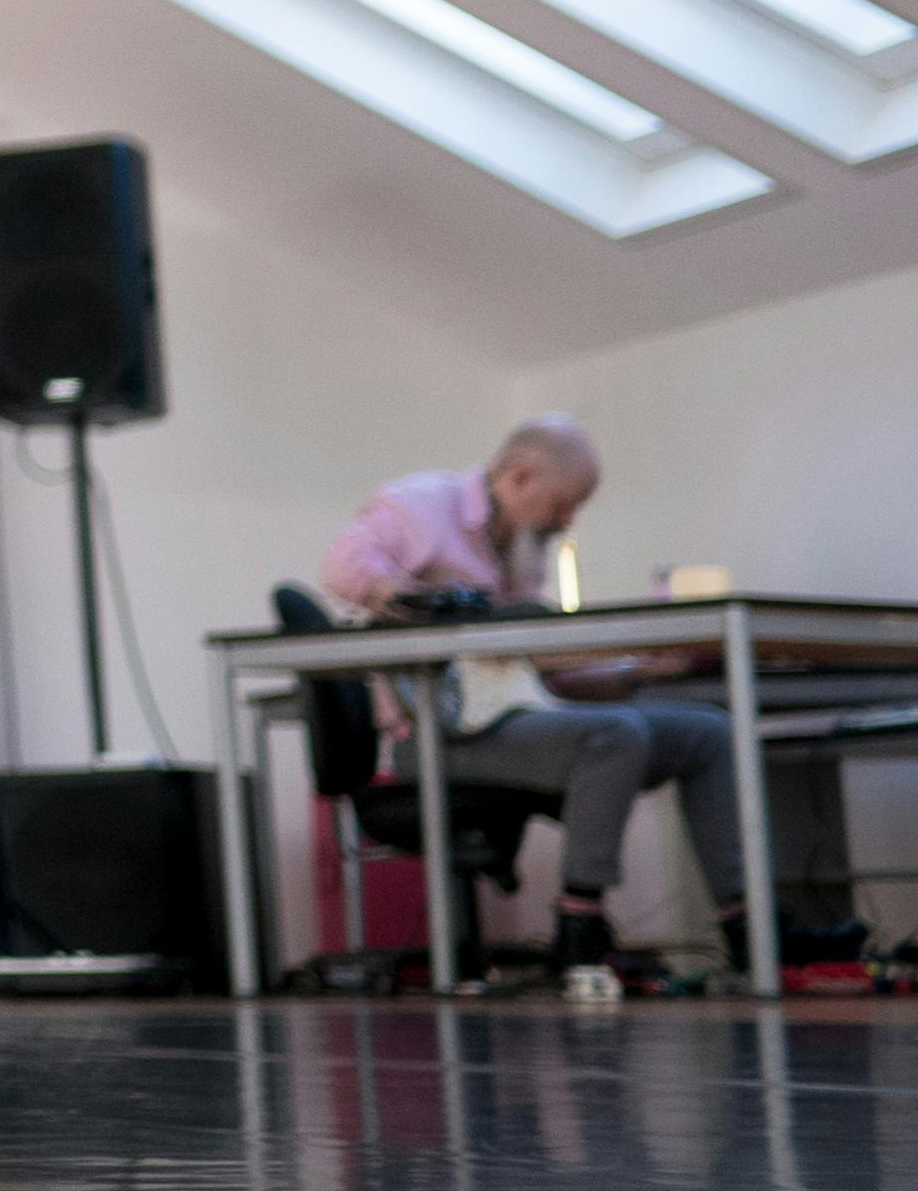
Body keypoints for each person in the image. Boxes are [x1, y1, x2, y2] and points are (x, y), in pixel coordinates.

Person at [321, 414, 856, 976]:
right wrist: (426, 604)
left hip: (518, 715)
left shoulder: (525, 554)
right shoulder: (421, 505)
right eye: (562, 504)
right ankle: (579, 929)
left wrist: (638, 671)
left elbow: (538, 678)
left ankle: (751, 929)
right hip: (438, 734)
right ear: (520, 477)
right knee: (613, 735)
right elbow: (341, 565)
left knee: (707, 731)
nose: (566, 520)